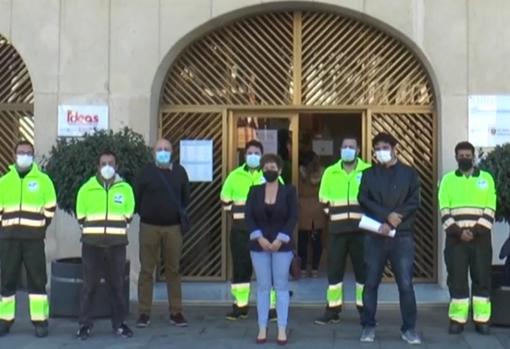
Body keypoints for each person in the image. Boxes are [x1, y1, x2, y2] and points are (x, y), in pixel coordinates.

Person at [358, 132, 422, 344]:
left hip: (402, 235)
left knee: (405, 284)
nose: (381, 152)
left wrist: (395, 220)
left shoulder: (409, 173)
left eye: (385, 147)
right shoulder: (369, 174)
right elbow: (363, 199)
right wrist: (386, 217)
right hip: (375, 234)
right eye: (377, 148)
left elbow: (414, 200)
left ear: (395, 148)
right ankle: (368, 326)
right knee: (371, 283)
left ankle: (409, 329)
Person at [75, 150, 135, 340]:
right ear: (98, 167)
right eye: (103, 163)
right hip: (92, 245)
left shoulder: (125, 189)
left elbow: (129, 215)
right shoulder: (86, 189)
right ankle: (84, 325)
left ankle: (120, 324)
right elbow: (81, 216)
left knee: (117, 286)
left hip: (116, 245)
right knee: (89, 286)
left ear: (116, 167)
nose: (107, 167)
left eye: (111, 163)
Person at [439, 141, 496, 335]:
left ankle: (482, 320)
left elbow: (490, 209)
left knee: (481, 278)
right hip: (456, 240)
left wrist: (474, 231)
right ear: (456, 158)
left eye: (468, 155)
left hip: (481, 240)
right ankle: (457, 319)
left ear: (474, 156)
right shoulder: (447, 180)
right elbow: (444, 210)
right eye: (461, 155)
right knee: (457, 280)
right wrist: (458, 231)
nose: (465, 158)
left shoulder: (486, 179)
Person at [0, 141, 56, 337]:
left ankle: (40, 321)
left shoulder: (43, 180)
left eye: (28, 153)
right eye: (21, 152)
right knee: (7, 280)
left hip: (34, 239)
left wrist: (40, 226)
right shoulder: (4, 181)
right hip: (9, 239)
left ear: (33, 156)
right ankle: (5, 320)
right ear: (14, 155)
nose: (24, 155)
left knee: (37, 280)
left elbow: (50, 207)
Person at [315, 136, 370, 325]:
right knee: (334, 271)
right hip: (337, 230)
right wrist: (334, 214)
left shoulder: (368, 170)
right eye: (345, 146)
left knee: (363, 272)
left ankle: (365, 310)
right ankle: (332, 310)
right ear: (340, 149)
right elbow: (323, 198)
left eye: (351, 146)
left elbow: (374, 198)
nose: (348, 149)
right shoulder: (330, 172)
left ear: (358, 149)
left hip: (361, 230)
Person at [220, 140, 277, 321]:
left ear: (261, 156)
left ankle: (271, 308)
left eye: (256, 153)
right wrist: (241, 215)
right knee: (241, 269)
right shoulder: (234, 176)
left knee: (267, 270)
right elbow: (225, 201)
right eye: (250, 153)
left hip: (265, 232)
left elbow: (282, 198)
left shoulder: (270, 174)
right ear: (245, 156)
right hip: (241, 230)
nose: (253, 156)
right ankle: (240, 307)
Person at [135, 139, 190, 328]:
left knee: (173, 270)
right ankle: (143, 312)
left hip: (173, 228)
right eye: (159, 149)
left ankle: (176, 312)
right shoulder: (146, 172)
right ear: (153, 152)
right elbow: (137, 196)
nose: (163, 152)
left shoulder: (180, 172)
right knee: (146, 271)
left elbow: (185, 197)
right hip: (149, 227)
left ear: (172, 151)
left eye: (166, 149)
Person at [245, 154, 298, 345]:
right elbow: (249, 216)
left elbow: (292, 217)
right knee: (263, 287)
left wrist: (279, 240)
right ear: (262, 170)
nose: (269, 170)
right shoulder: (254, 191)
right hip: (258, 246)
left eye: (273, 167)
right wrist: (259, 237)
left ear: (280, 170)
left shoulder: (289, 191)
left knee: (281, 286)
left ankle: (282, 328)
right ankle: (262, 327)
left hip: (281, 246)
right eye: (266, 167)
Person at [297, 151, 325, 277]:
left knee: (302, 241)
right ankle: (315, 269)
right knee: (317, 241)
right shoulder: (323, 174)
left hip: (302, 210)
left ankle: (302, 268)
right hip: (319, 210)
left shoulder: (299, 175)